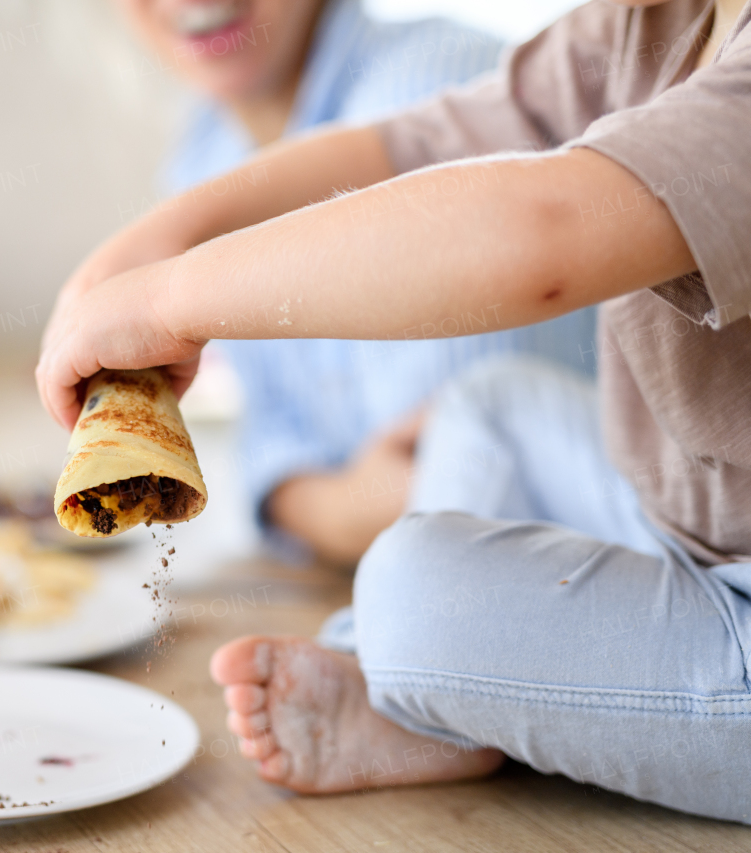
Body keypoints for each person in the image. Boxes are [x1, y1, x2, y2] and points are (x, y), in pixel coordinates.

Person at [38, 0, 751, 825]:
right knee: (485, 407)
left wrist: (173, 297)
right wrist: (169, 232)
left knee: (413, 596)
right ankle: (433, 697)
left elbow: (542, 229)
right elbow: (419, 146)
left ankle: (432, 680)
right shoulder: (653, 20)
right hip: (694, 529)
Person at [117, 0, 599, 565]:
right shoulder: (201, 154)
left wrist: (329, 508)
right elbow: (269, 445)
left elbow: (465, 507)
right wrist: (331, 508)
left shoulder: (435, 87)